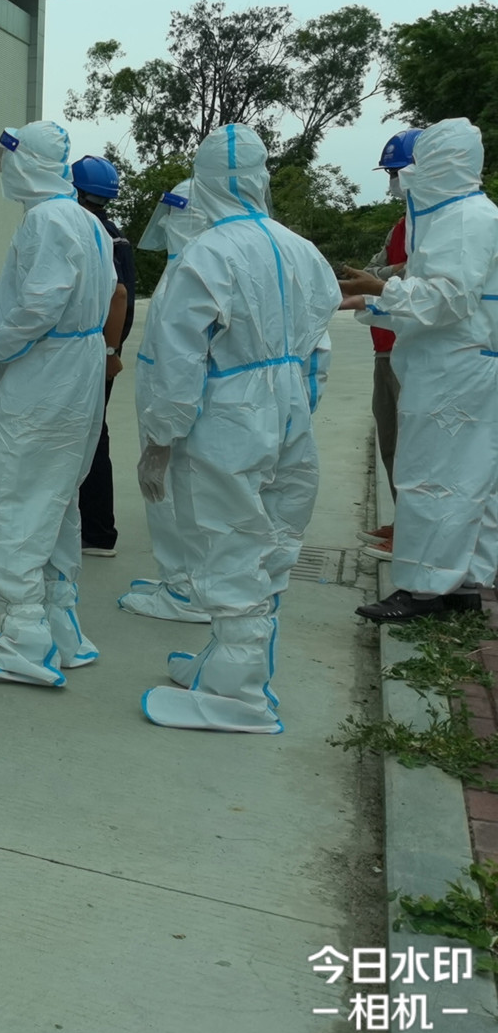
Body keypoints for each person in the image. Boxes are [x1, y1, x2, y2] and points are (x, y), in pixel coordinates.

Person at [137, 125, 340, 731]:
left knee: (226, 539)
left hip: (226, 411)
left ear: (202, 184)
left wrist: (160, 439)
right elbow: (320, 350)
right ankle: (230, 659)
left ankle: (238, 692)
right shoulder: (301, 250)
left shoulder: (205, 255)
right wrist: (295, 407)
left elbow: (179, 360)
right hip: (287, 407)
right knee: (271, 536)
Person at [0, 121, 116, 688]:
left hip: (45, 374)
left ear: (28, 164)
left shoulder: (47, 221)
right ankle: (60, 624)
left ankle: (23, 638)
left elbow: (39, 307)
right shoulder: (86, 221)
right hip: (76, 371)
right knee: (55, 500)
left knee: (14, 499)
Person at [345, 117, 498, 622]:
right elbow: (449, 301)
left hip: (454, 369)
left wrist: (379, 288)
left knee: (431, 475)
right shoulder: (466, 215)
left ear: (437, 164)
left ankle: (423, 589)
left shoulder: (464, 219)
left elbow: (446, 300)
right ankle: (462, 583)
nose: (405, 179)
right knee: (469, 479)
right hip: (459, 363)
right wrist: (370, 302)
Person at [116, 181, 214, 622]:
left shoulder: (192, 272)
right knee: (179, 494)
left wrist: (161, 436)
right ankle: (183, 579)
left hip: (176, 406)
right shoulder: (186, 267)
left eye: (177, 214)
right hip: (171, 400)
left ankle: (185, 591)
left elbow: (181, 359)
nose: (168, 223)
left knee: (176, 493)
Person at [355, 129, 417, 560]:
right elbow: (377, 269)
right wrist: (385, 275)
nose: (393, 181)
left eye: (397, 171)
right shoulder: (401, 225)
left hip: (412, 347)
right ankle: (402, 519)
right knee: (391, 439)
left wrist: (381, 277)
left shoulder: (439, 226)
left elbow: (411, 273)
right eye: (391, 173)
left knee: (415, 444)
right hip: (385, 345)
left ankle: (415, 530)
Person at [72, 154, 135, 557]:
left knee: (89, 436)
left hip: (93, 352)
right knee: (94, 432)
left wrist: (109, 352)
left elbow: (119, 296)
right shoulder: (116, 234)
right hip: (105, 349)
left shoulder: (90, 234)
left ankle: (96, 532)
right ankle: (94, 528)